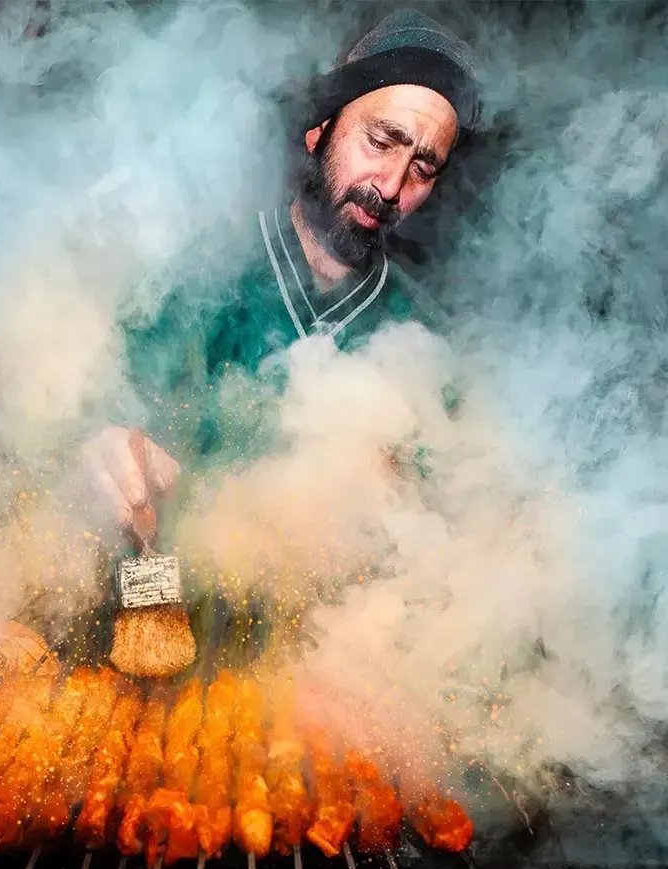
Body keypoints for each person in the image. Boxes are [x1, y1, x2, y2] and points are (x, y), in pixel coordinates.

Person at [83, 9, 481, 539]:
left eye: (423, 168)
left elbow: (445, 545)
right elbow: (91, 421)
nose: (391, 184)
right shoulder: (195, 277)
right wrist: (98, 448)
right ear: (320, 130)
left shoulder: (427, 344)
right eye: (381, 142)